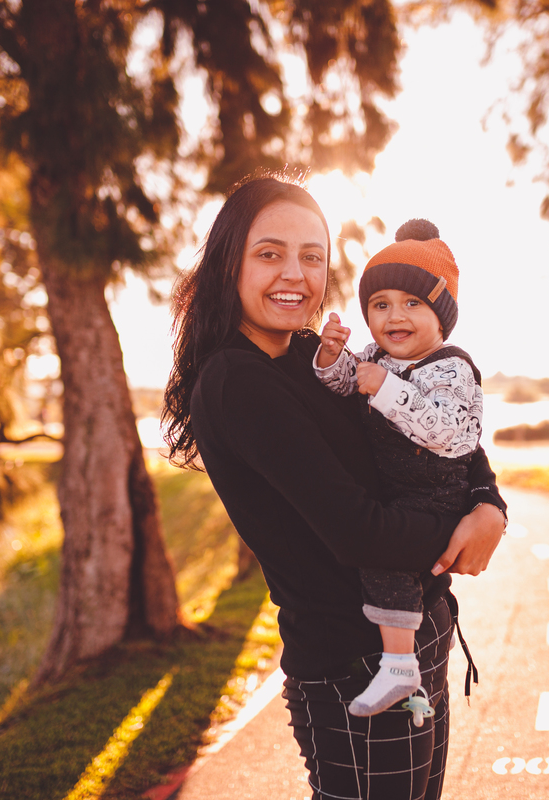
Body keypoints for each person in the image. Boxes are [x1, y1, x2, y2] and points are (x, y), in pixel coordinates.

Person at [162, 174, 506, 800]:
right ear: (228, 263)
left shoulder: (308, 357)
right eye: (270, 254)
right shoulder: (237, 382)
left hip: (417, 630)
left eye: (312, 257)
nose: (294, 275)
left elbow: (432, 431)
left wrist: (487, 503)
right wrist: (456, 534)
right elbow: (356, 532)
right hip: (356, 664)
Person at [313, 218, 484, 720]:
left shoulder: (453, 367)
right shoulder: (375, 356)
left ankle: (398, 661)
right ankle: (400, 661)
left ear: (442, 316)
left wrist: (383, 389)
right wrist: (329, 359)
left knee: (390, 552)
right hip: (398, 489)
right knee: (384, 565)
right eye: (380, 305)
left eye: (413, 303)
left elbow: (446, 430)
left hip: (436, 490)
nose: (395, 316)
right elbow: (346, 383)